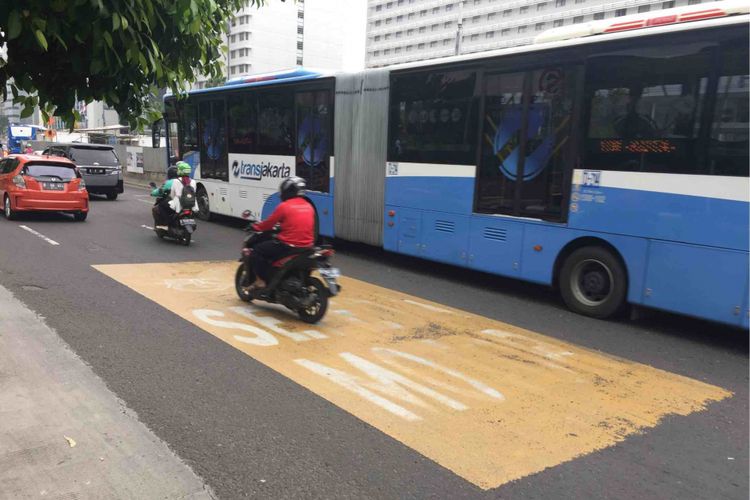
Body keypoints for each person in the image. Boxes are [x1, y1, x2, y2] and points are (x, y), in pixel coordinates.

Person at [250, 176, 314, 289]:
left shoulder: (284, 206)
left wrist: (256, 226)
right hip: (307, 247)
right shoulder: (309, 206)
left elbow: (268, 224)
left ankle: (260, 281)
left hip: (288, 246)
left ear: (287, 191)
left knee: (257, 251)